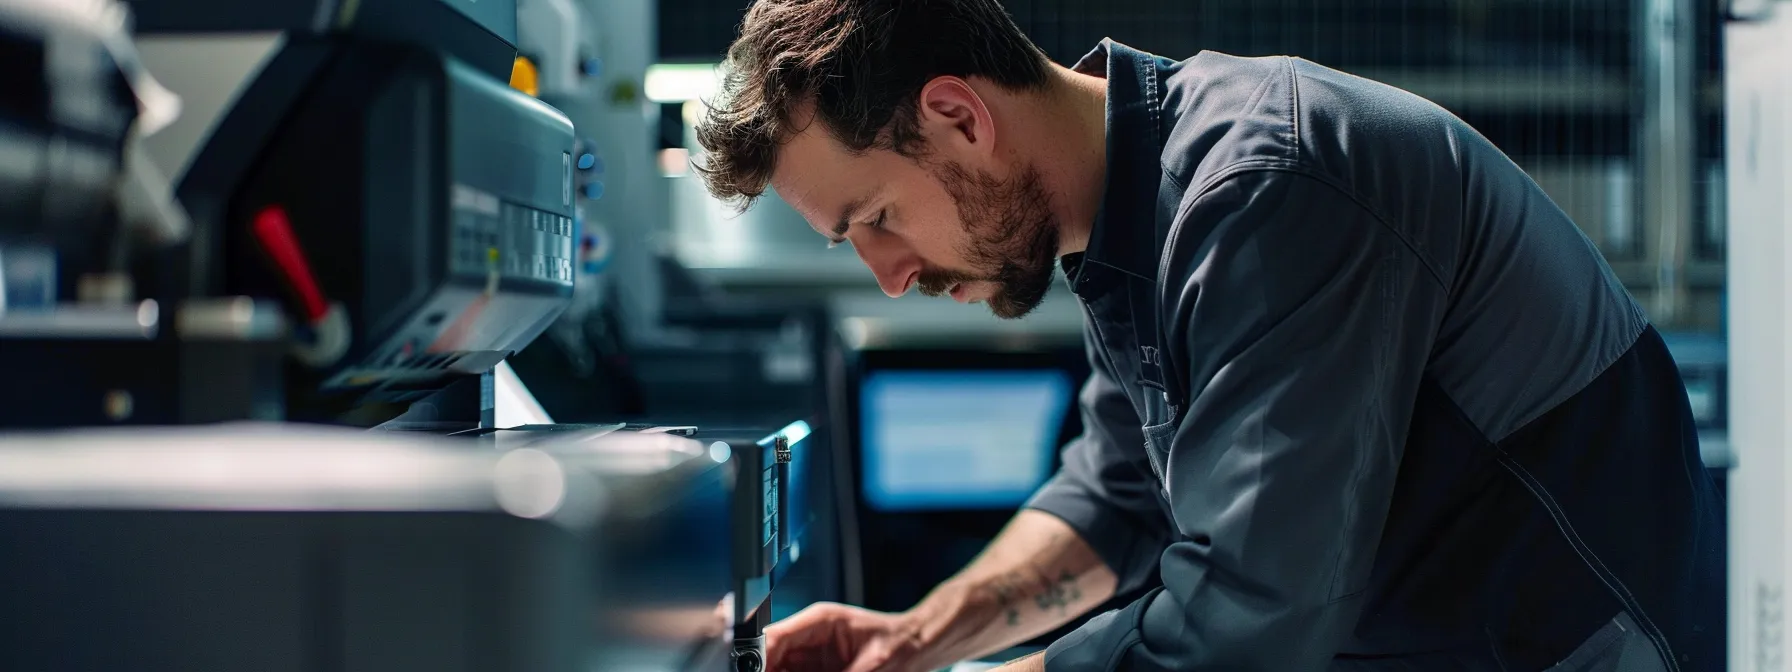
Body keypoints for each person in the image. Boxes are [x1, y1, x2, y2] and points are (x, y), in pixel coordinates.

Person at [693, 1, 1725, 670]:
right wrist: (916, 640)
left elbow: (1247, 624)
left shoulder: (1264, 186)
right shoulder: (1133, 219)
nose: (890, 272)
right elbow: (1117, 494)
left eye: (873, 218)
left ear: (958, 115)